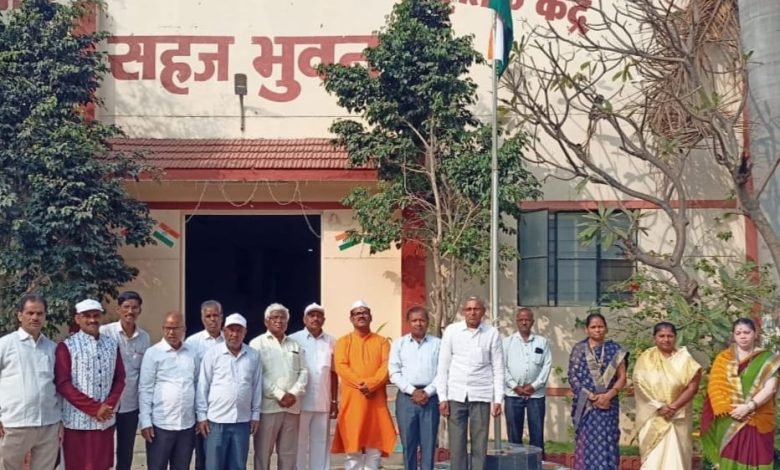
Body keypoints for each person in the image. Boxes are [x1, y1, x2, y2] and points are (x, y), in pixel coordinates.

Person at [55, 298, 126, 470]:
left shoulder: (111, 344)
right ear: (77, 319)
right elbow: (63, 384)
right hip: (77, 423)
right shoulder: (67, 346)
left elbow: (120, 378)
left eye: (96, 315)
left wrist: (108, 406)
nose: (92, 320)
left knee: (102, 465)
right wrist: (95, 409)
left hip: (104, 421)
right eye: (87, 316)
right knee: (78, 465)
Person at [701, 317, 780, 469]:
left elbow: (771, 388)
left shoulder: (768, 359)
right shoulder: (723, 359)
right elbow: (715, 389)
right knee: (729, 462)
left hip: (758, 416)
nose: (743, 336)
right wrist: (732, 410)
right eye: (738, 333)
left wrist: (748, 407)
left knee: (760, 460)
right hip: (730, 418)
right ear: (733, 335)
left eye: (746, 332)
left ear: (755, 334)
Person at [436, 296, 504, 470]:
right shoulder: (452, 331)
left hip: (480, 395)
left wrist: (498, 399)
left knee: (479, 445)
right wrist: (442, 397)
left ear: (483, 312)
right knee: (457, 445)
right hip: (456, 395)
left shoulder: (492, 333)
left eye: (476, 309)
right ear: (463, 312)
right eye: (469, 309)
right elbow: (443, 366)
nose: (472, 312)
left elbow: (498, 368)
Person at [331, 300, 397, 470]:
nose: (361, 316)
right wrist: (363, 385)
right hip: (353, 401)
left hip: (375, 402)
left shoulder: (382, 342)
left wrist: (371, 385)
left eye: (364, 312)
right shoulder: (343, 342)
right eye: (357, 313)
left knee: (374, 447)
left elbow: (386, 366)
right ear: (351, 318)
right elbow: (341, 366)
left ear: (370, 317)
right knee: (353, 448)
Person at [0, 294, 61, 470]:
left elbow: (58, 385)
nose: (35, 317)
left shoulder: (52, 348)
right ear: (20, 315)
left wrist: (60, 421)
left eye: (39, 313)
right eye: (30, 313)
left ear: (45, 316)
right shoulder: (5, 344)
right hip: (14, 423)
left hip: (48, 424)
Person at [196, 313, 262, 470]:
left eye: (239, 330)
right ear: (224, 331)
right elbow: (203, 385)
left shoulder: (253, 355)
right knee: (214, 465)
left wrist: (255, 415)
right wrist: (202, 416)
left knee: (238, 465)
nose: (234, 334)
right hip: (216, 421)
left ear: (245, 333)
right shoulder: (213, 354)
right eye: (231, 330)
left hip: (242, 422)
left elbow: (257, 386)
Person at [633, 321, 701, 470]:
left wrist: (673, 407)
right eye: (661, 336)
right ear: (654, 338)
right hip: (654, 415)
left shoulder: (685, 359)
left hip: (678, 416)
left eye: (670, 336)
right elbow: (639, 384)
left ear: (675, 337)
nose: (666, 339)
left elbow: (693, 386)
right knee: (653, 459)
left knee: (676, 457)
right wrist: (659, 407)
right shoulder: (646, 358)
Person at [250, 303, 308, 470]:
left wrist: (293, 393)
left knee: (288, 454)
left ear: (287, 322)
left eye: (283, 318)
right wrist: (279, 394)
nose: (279, 321)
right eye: (274, 317)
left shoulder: (295, 345)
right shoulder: (257, 344)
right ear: (266, 321)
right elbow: (256, 375)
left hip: (292, 408)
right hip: (268, 408)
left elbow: (304, 371)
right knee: (263, 454)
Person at [567, 312, 628, 470]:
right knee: (587, 442)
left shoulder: (615, 349)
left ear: (606, 329)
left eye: (600, 326)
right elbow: (573, 377)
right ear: (586, 329)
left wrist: (608, 396)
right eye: (593, 327)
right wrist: (590, 396)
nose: (597, 330)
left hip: (609, 404)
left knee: (608, 441)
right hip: (587, 405)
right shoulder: (579, 349)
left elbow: (622, 377)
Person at [139, 312, 198, 470]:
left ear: (184, 329)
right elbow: (145, 388)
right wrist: (145, 421)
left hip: (186, 424)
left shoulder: (192, 353)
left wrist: (199, 415)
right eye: (167, 328)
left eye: (175, 328)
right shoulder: (153, 353)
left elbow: (196, 383)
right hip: (160, 425)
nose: (171, 332)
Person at [100, 290, 151, 470]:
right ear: (118, 309)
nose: (130, 311)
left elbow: (144, 373)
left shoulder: (144, 337)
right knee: (102, 450)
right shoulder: (105, 332)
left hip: (130, 404)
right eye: (126, 307)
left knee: (126, 450)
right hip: (107, 404)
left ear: (140, 310)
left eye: (134, 307)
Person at [389, 306, 441, 470]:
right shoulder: (399, 344)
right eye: (414, 320)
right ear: (408, 322)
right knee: (408, 444)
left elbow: (443, 372)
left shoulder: (437, 344)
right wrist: (413, 391)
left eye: (422, 320)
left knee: (429, 444)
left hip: (430, 398)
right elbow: (394, 372)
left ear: (428, 322)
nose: (418, 323)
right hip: (407, 398)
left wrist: (427, 392)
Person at [289, 302, 338, 470]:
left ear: (324, 319)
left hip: (323, 401)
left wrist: (334, 401)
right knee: (299, 443)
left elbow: (333, 373)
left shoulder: (331, 341)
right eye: (311, 315)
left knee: (321, 443)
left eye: (319, 316)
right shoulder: (294, 339)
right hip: (300, 402)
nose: (315, 319)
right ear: (304, 319)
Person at [503, 307, 551, 453]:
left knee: (537, 434)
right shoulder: (507, 342)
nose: (524, 322)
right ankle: (515, 463)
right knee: (514, 436)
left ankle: (537, 462)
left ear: (532, 322)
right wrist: (514, 386)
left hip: (535, 395)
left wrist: (534, 386)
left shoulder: (542, 342)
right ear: (516, 321)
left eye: (527, 319)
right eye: (521, 319)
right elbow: (502, 366)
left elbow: (547, 366)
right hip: (513, 394)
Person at [185, 299, 225, 470]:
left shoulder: (229, 340)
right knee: (202, 456)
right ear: (202, 318)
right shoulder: (192, 343)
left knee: (221, 455)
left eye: (216, 315)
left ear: (222, 317)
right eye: (208, 316)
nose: (212, 319)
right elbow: (190, 377)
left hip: (223, 408)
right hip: (200, 408)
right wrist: (197, 412)